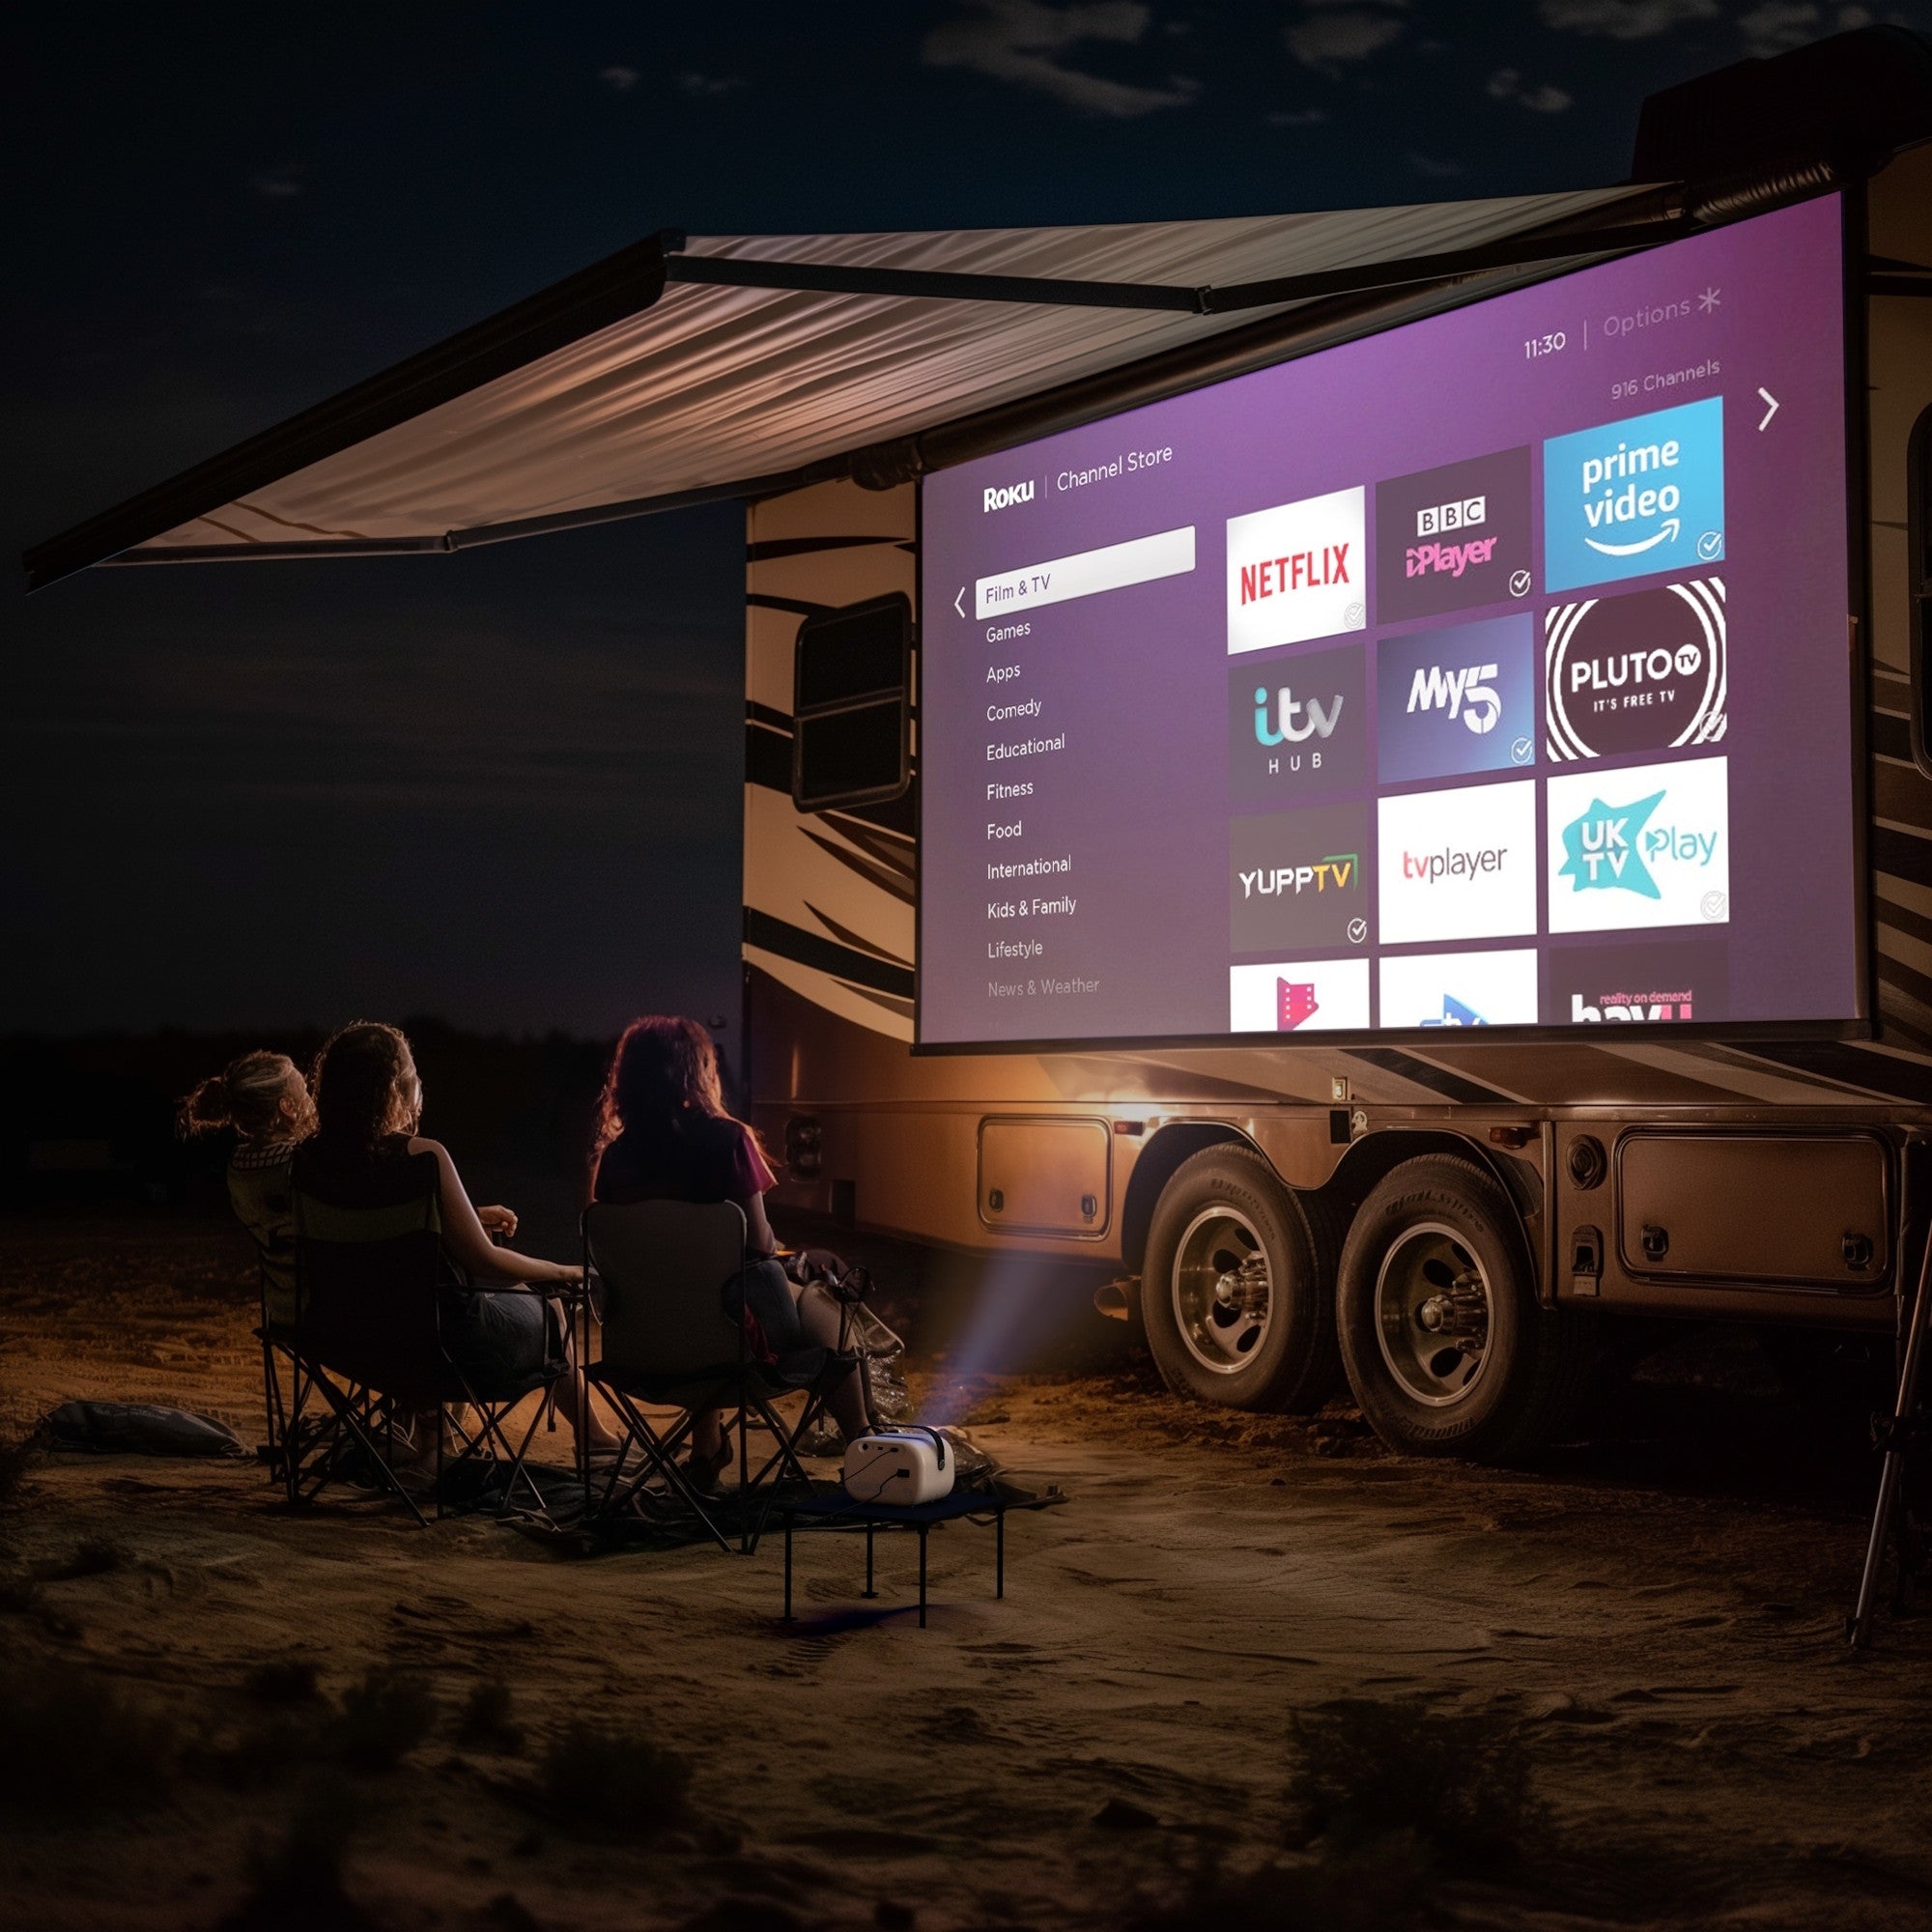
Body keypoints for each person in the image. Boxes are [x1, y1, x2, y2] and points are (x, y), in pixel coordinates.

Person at [302, 1020, 616, 1453]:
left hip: (345, 1336)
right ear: (397, 1088)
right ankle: (594, 1440)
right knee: (552, 1308)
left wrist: (465, 1215)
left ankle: (434, 1437)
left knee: (433, 1302)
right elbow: (483, 1261)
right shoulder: (423, 1157)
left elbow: (387, 1224)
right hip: (435, 1346)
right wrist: (557, 1270)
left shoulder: (309, 1160)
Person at [590, 1014, 874, 1489]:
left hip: (642, 1348)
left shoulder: (615, 1158)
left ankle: (707, 1451)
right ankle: (867, 1446)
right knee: (822, 1294)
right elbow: (760, 1244)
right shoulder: (728, 1141)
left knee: (693, 1289)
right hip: (736, 1348)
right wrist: (802, 1261)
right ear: (697, 1071)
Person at [178, 1050, 317, 1328]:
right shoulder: (301, 1163)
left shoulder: (239, 1166)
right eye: (305, 1091)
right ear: (288, 1107)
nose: (312, 1100)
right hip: (326, 1310)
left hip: (282, 1313)